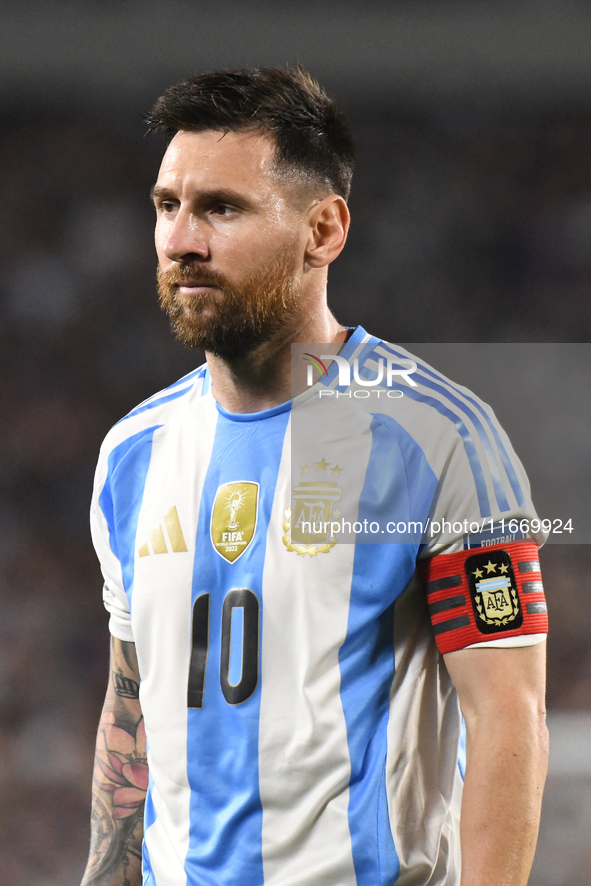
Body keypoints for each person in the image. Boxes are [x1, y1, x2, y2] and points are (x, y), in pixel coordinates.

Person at [81, 66, 549, 886]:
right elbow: (133, 713)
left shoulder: (437, 438)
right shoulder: (132, 453)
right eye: (167, 206)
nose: (181, 239)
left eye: (221, 208)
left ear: (323, 231)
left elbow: (507, 714)